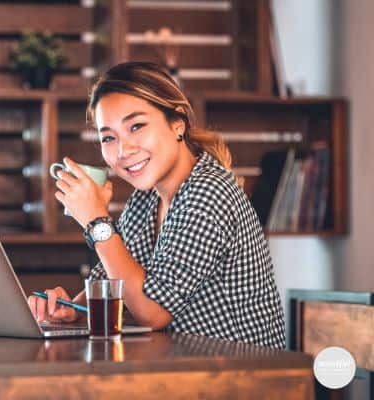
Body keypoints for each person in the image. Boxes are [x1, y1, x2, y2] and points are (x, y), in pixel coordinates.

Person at [27, 62, 286, 349]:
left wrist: (96, 221)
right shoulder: (146, 198)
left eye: (136, 126)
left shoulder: (208, 193)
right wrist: (71, 310)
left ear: (178, 124)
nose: (123, 151)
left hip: (243, 377)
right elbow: (113, 281)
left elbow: (152, 312)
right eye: (109, 138)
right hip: (183, 367)